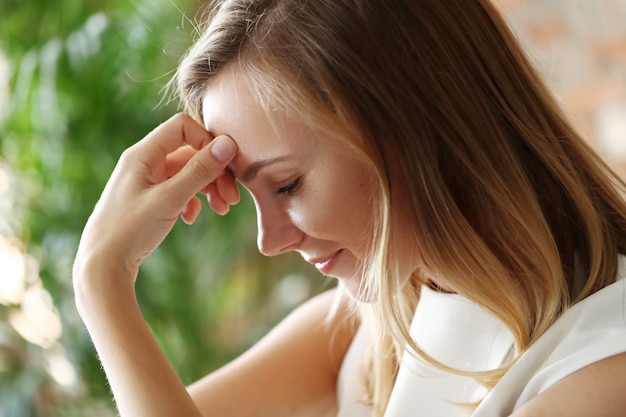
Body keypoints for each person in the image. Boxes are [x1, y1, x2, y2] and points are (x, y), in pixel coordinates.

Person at [72, 0, 626, 416]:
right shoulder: (381, 318)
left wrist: (103, 282)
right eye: (251, 192)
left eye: (286, 185)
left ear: (413, 127)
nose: (270, 241)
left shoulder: (601, 368)